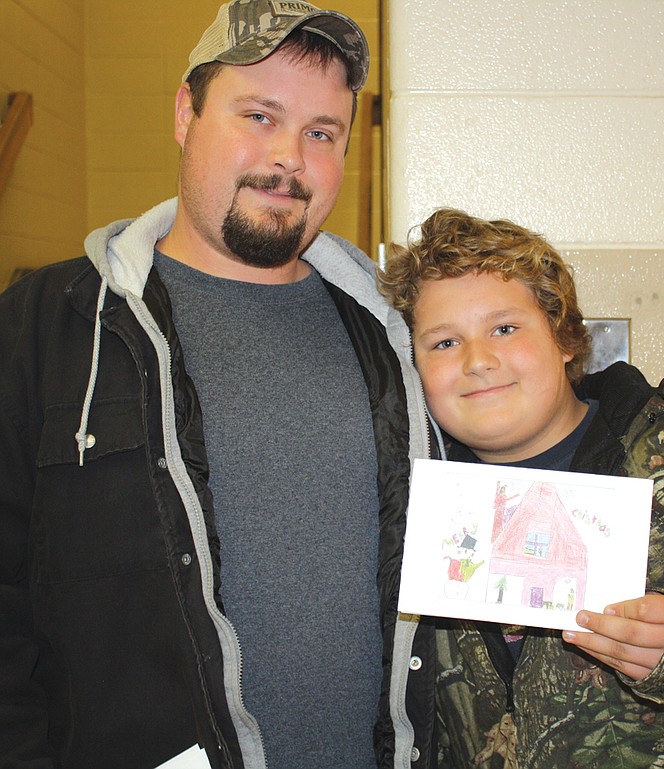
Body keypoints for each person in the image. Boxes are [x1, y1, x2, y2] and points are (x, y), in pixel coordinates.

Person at [0, 3, 432, 768]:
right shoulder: (49, 326)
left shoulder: (395, 330)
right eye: (259, 115)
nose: (289, 158)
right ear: (184, 112)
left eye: (321, 133)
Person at [377, 207, 664, 768]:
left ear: (565, 338)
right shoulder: (414, 512)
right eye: (444, 343)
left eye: (505, 328)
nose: (478, 361)